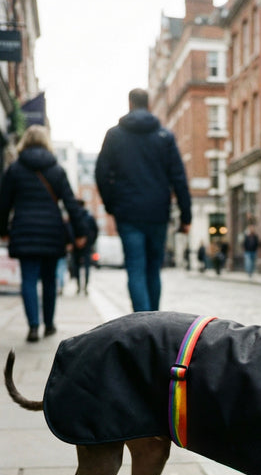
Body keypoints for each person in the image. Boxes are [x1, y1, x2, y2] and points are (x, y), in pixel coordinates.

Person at [95, 88, 191, 312]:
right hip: (157, 212)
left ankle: (141, 322)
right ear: (148, 105)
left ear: (130, 104)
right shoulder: (165, 137)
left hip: (127, 213)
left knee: (135, 269)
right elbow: (178, 177)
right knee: (153, 270)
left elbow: (100, 173)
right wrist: (185, 215)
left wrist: (112, 205)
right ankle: (153, 322)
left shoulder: (114, 135)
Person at [0, 125, 87, 342]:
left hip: (24, 230)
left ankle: (32, 326)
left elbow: (3, 204)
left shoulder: (15, 169)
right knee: (49, 280)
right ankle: (49, 324)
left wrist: (3, 230)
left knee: (28, 279)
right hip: (51, 232)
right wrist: (80, 232)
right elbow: (70, 203)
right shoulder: (56, 170)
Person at [71, 199, 98, 295]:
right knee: (86, 267)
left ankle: (79, 287)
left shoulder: (73, 217)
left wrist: (73, 242)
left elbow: (69, 230)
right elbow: (95, 231)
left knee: (76, 267)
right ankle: (85, 287)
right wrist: (90, 242)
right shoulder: (89, 217)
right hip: (87, 246)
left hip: (76, 246)